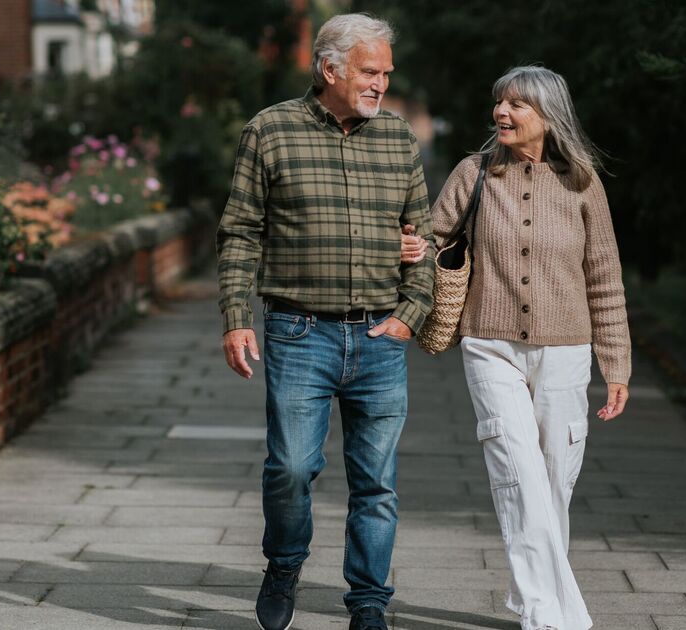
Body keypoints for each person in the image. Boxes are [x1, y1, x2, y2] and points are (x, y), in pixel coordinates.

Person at [216, 13, 434, 630]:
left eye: (387, 72)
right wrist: (236, 318)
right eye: (370, 71)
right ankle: (284, 563)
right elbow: (239, 232)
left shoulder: (397, 138)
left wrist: (411, 314)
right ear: (329, 68)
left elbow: (424, 232)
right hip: (298, 332)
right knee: (290, 468)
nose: (381, 83)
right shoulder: (270, 131)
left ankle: (368, 604)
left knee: (377, 484)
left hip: (379, 337)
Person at [428, 66, 631, 630]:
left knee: (553, 479)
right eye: (499, 102)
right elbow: (433, 238)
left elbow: (605, 279)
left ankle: (531, 597)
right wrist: (414, 250)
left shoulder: (583, 183)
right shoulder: (474, 173)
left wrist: (616, 364)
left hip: (566, 350)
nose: (502, 113)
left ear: (548, 115)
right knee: (517, 472)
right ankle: (551, 616)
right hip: (488, 346)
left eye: (517, 104)